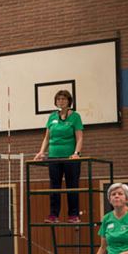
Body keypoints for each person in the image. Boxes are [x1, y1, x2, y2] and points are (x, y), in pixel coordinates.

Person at [33, 89, 84, 223]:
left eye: (64, 99)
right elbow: (47, 137)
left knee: (72, 185)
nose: (61, 101)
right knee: (54, 186)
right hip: (54, 157)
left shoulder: (75, 117)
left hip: (70, 158)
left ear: (69, 101)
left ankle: (73, 215)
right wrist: (41, 152)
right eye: (58, 99)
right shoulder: (52, 117)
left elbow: (79, 138)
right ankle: (53, 215)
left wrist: (76, 153)